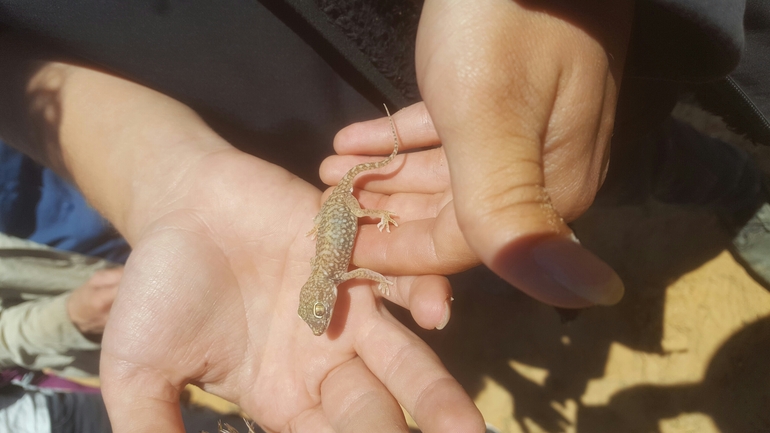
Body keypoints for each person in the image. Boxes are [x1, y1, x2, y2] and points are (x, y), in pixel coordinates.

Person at [1, 1, 767, 433]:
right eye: (320, 304)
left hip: (464, 76)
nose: (323, 306)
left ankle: (737, 185)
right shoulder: (335, 269)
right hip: (314, 160)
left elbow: (349, 236)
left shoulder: (339, 267)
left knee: (623, 151)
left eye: (319, 304)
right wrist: (165, 179)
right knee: (464, 239)